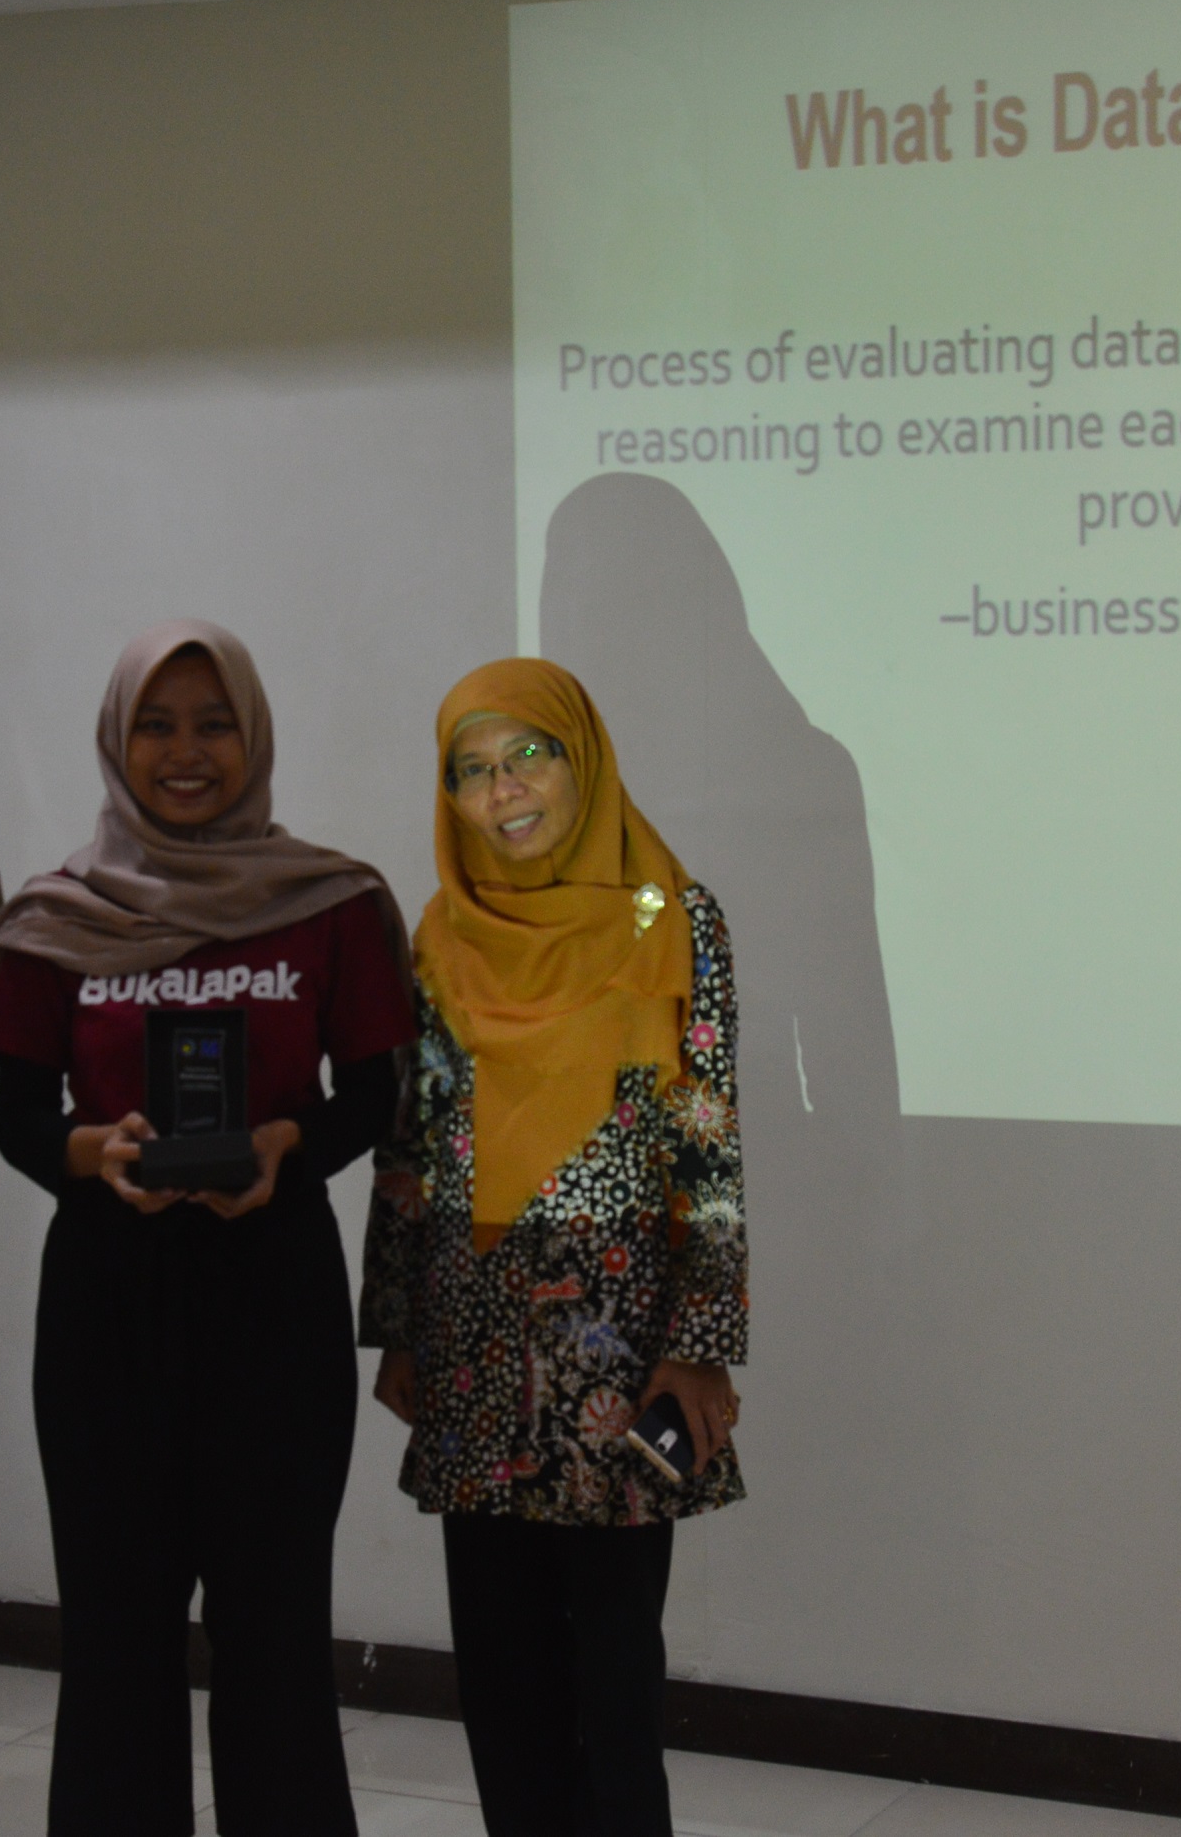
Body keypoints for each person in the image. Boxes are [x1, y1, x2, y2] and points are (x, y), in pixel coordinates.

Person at [0, 620, 416, 1836]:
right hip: (107, 1304)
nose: (186, 751)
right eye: (157, 726)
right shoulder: (56, 913)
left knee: (275, 1633)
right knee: (115, 1633)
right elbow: (19, 1120)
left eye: (214, 724)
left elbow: (371, 1098)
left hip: (274, 1295)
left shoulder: (331, 901)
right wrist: (97, 1153)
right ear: (117, 741)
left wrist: (285, 1145)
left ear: (255, 735)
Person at [362, 658, 749, 1837]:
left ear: (582, 758)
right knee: (502, 1673)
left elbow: (708, 1144)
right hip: (473, 1340)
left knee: (615, 1674)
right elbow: (410, 1145)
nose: (505, 789)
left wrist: (700, 1342)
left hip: (618, 1346)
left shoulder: (673, 917)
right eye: (473, 769)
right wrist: (397, 1328)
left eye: (528, 754)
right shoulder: (442, 933)